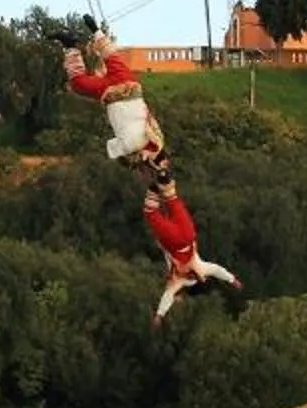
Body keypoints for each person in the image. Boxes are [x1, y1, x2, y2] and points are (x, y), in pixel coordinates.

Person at [63, 30, 174, 186]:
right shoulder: (134, 147)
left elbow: (149, 125)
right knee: (79, 82)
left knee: (111, 60)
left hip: (125, 90)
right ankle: (71, 45)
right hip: (114, 95)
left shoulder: (154, 139)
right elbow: (112, 147)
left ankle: (91, 35)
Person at [143, 175, 240, 326]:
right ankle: (154, 188)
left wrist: (232, 280)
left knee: (172, 198)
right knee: (151, 213)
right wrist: (159, 315)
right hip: (174, 241)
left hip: (188, 234)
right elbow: (168, 296)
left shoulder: (198, 271)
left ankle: (162, 176)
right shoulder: (180, 280)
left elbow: (216, 270)